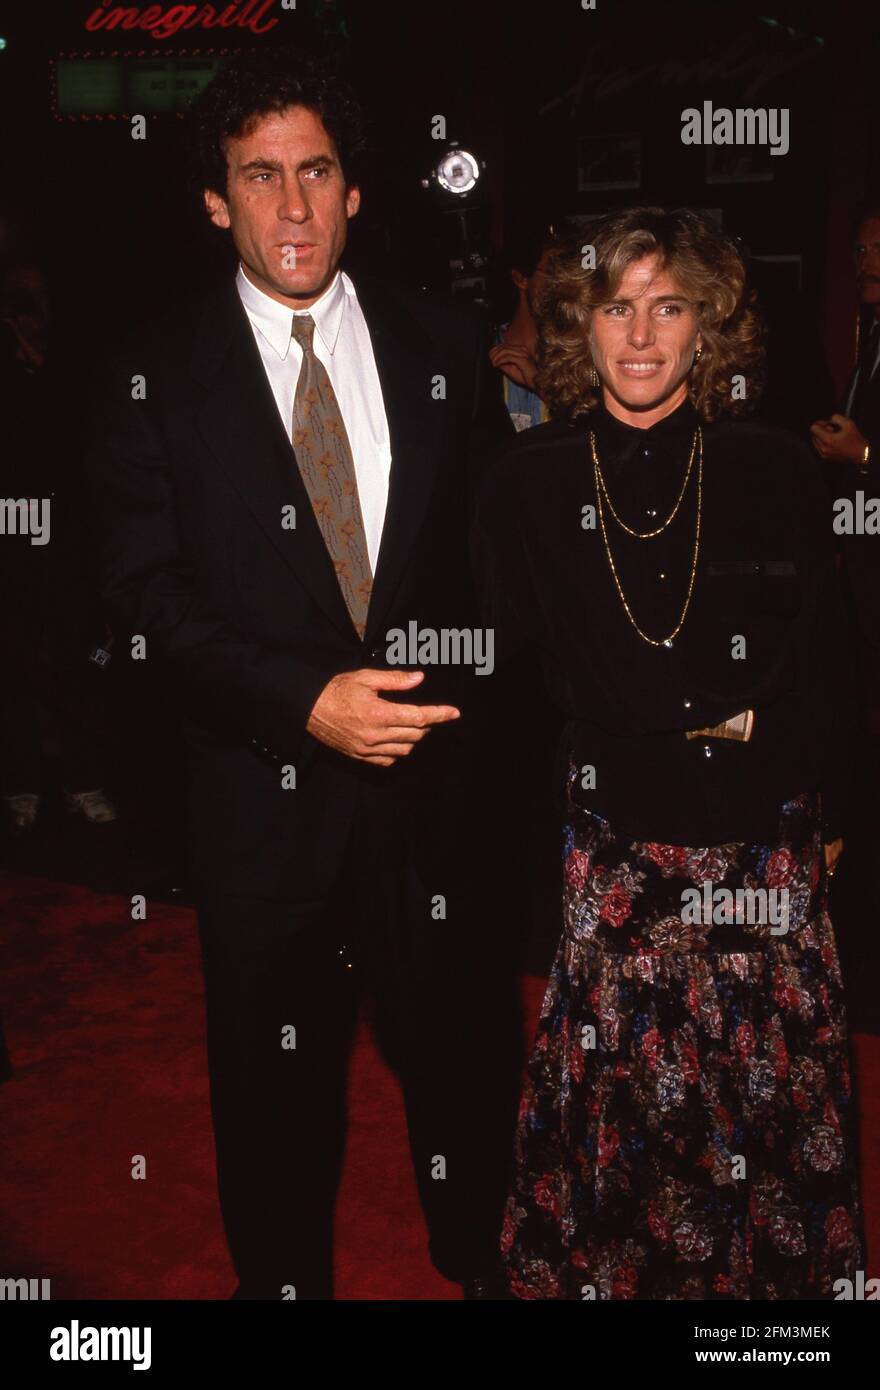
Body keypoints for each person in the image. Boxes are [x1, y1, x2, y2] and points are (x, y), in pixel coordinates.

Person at [89, 48, 518, 1300]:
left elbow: (488, 575)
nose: (292, 207)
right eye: (259, 177)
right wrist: (302, 698)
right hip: (260, 814)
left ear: (355, 189)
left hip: (436, 809)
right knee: (276, 1100)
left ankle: (479, 1266)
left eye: (316, 171)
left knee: (461, 1068)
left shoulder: (445, 341)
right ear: (215, 200)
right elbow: (134, 608)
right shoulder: (153, 374)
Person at [475, 207, 863, 1300]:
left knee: (769, 1116)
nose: (640, 335)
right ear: (578, 327)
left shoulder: (776, 467)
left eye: (668, 306)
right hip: (620, 852)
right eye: (614, 307)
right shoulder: (527, 482)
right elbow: (502, 689)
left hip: (761, 844)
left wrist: (829, 822)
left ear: (708, 328)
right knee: (630, 1121)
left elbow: (830, 663)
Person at [811, 200, 880, 711]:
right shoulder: (873, 337)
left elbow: (865, 450)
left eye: (879, 249)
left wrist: (863, 453)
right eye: (860, 251)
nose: (866, 263)